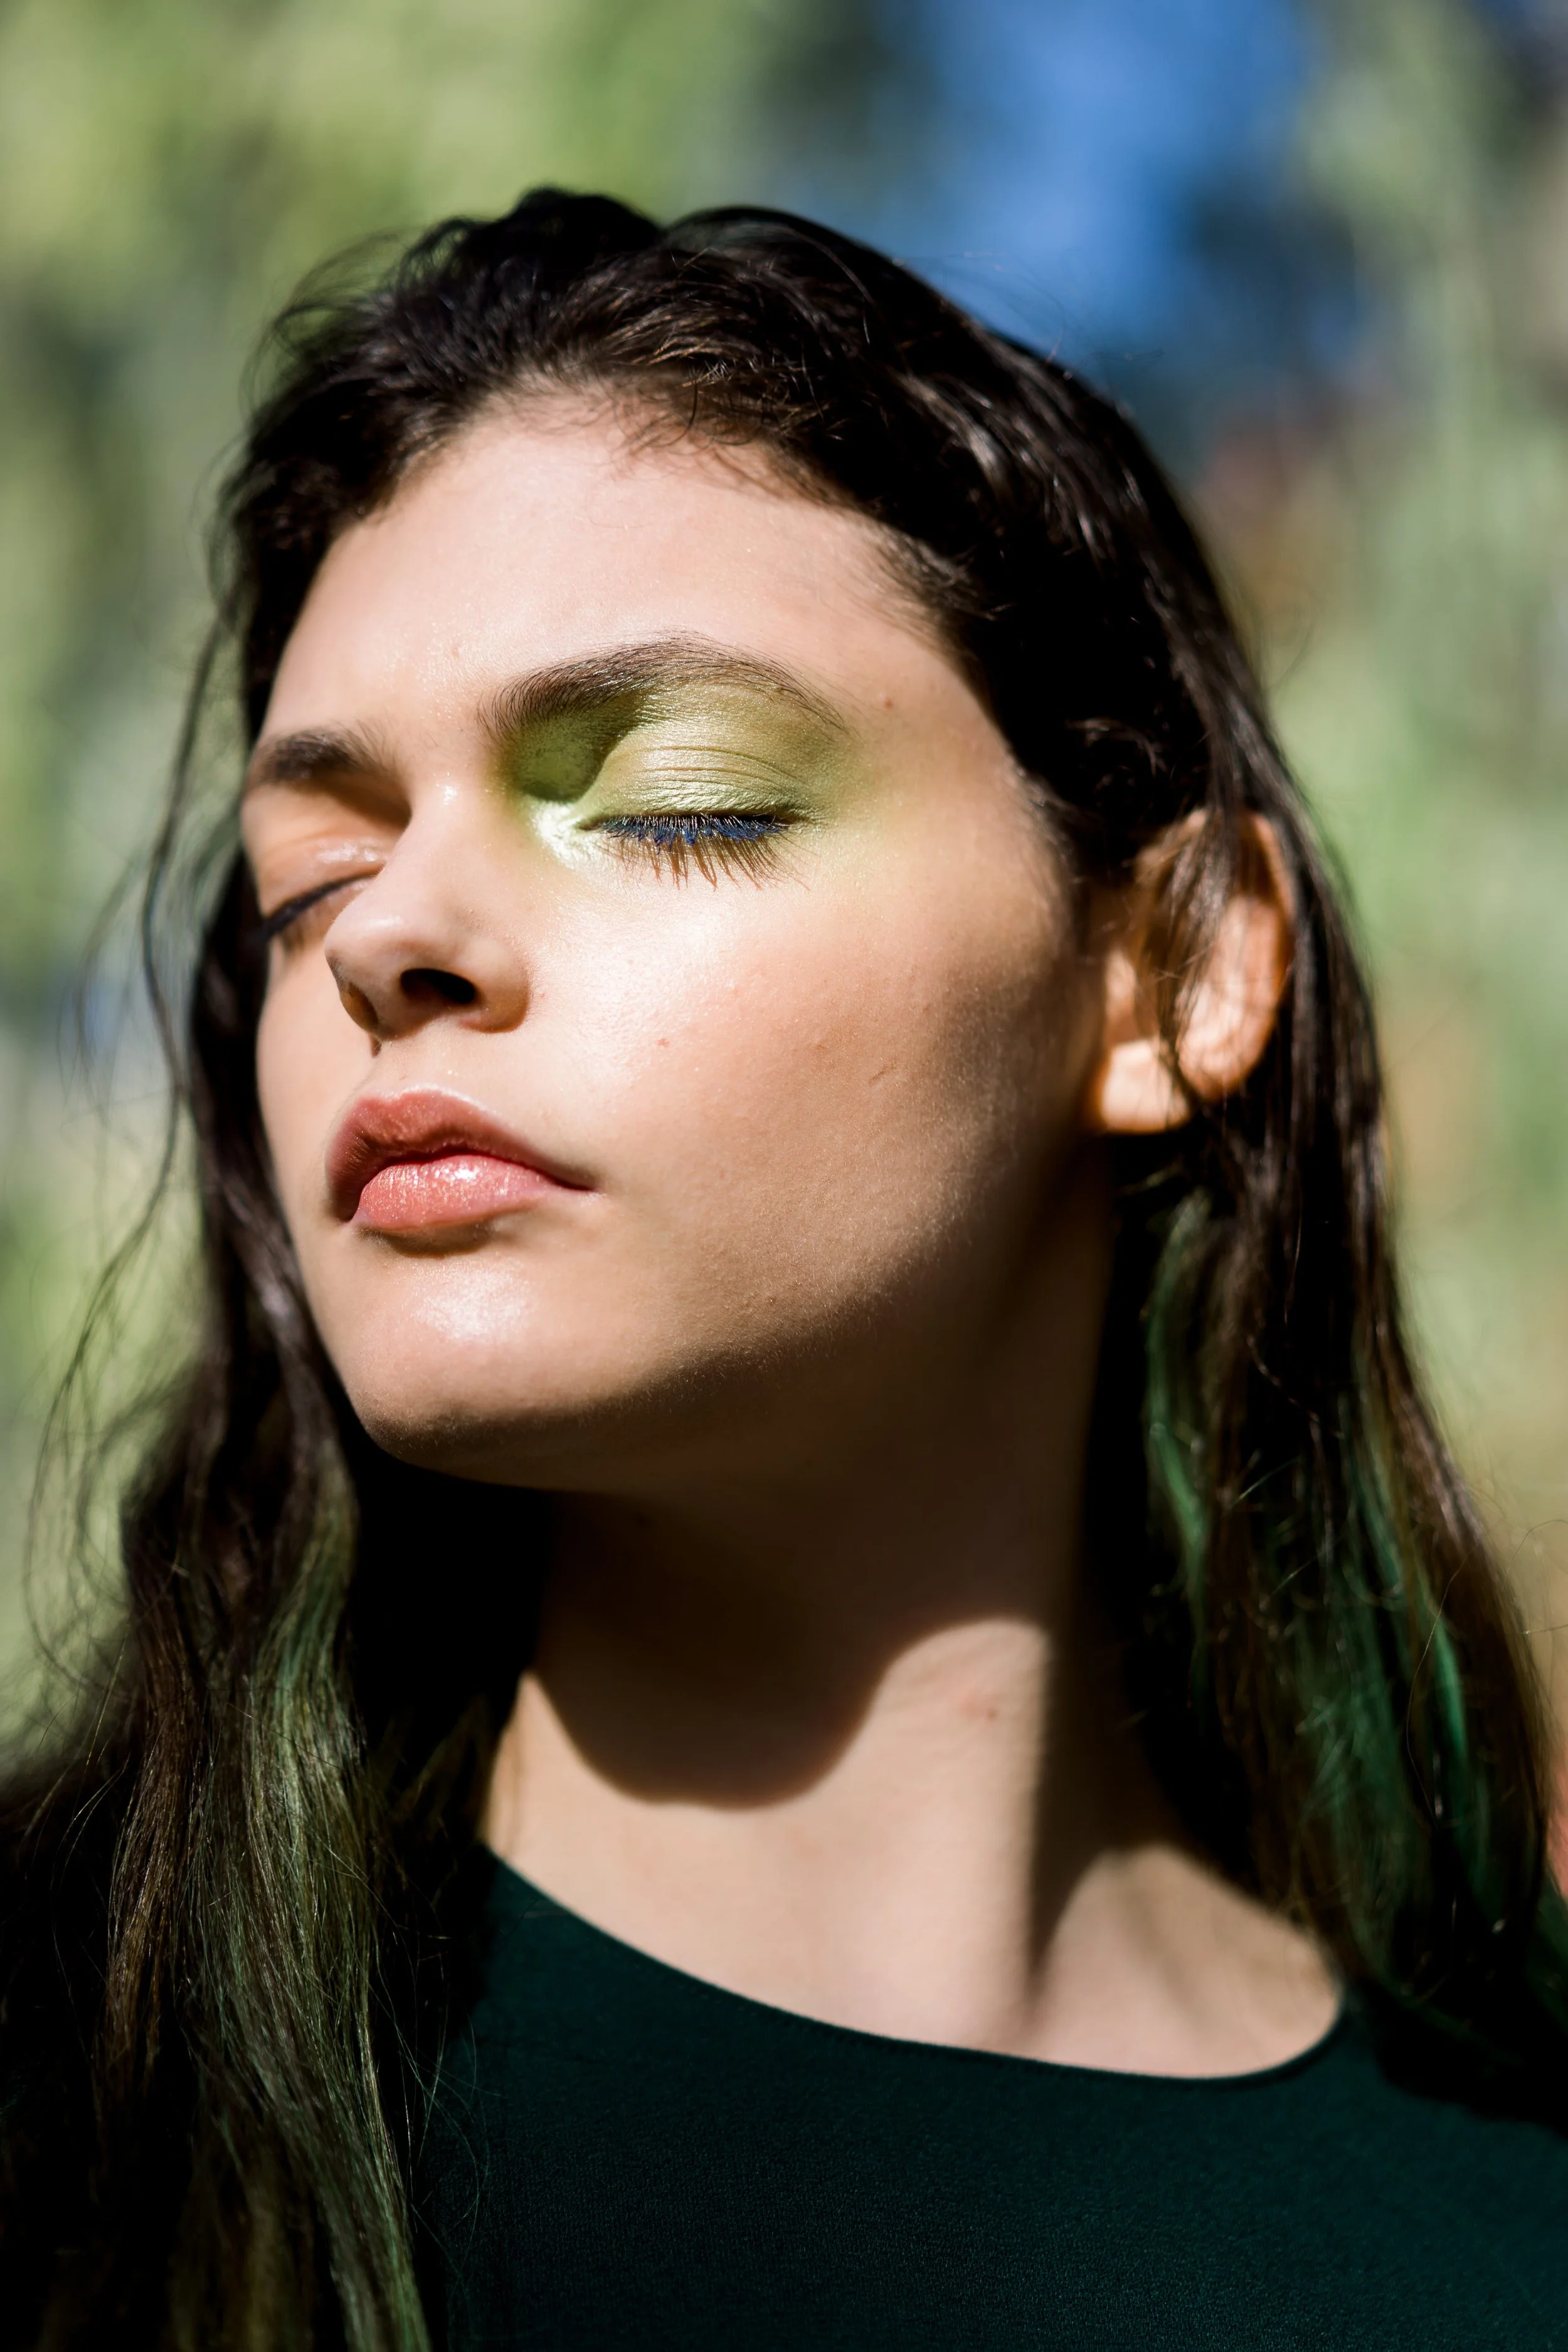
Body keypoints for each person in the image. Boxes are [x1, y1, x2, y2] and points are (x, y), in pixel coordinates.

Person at [3, 188, 1565, 2351]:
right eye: (311, 873)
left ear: (1173, 969)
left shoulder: (1514, 2202)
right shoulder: (49, 2103)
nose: (387, 935)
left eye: (675, 797)